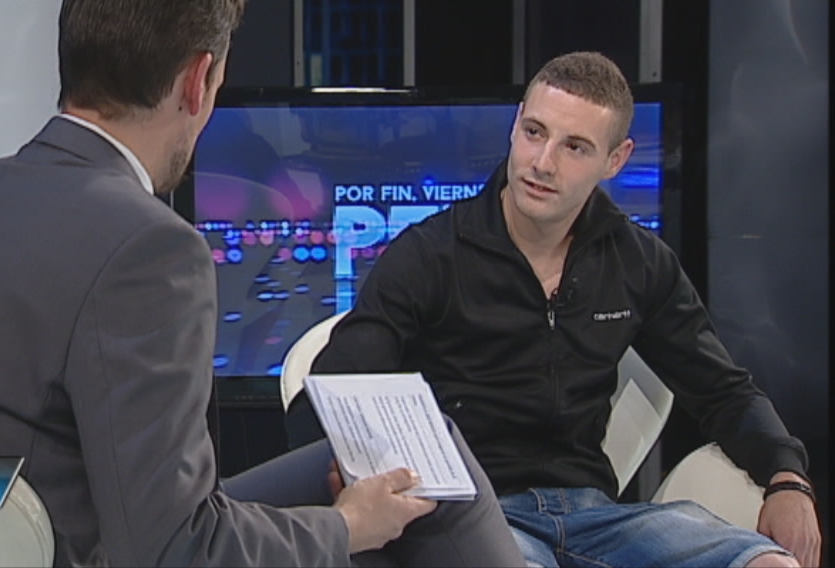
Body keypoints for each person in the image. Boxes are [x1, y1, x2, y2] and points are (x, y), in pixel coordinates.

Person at [0, 0, 524, 567]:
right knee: (420, 492)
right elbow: (177, 551)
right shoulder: (147, 245)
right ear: (197, 80)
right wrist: (348, 527)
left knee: (408, 474)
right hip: (79, 548)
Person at [286, 51, 822, 568]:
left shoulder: (638, 262)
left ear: (615, 159)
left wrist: (787, 479)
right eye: (535, 132)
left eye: (575, 147)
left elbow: (723, 391)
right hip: (476, 515)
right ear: (515, 125)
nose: (542, 163)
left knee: (768, 563)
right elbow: (329, 393)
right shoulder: (429, 254)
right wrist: (344, 485)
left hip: (597, 516)